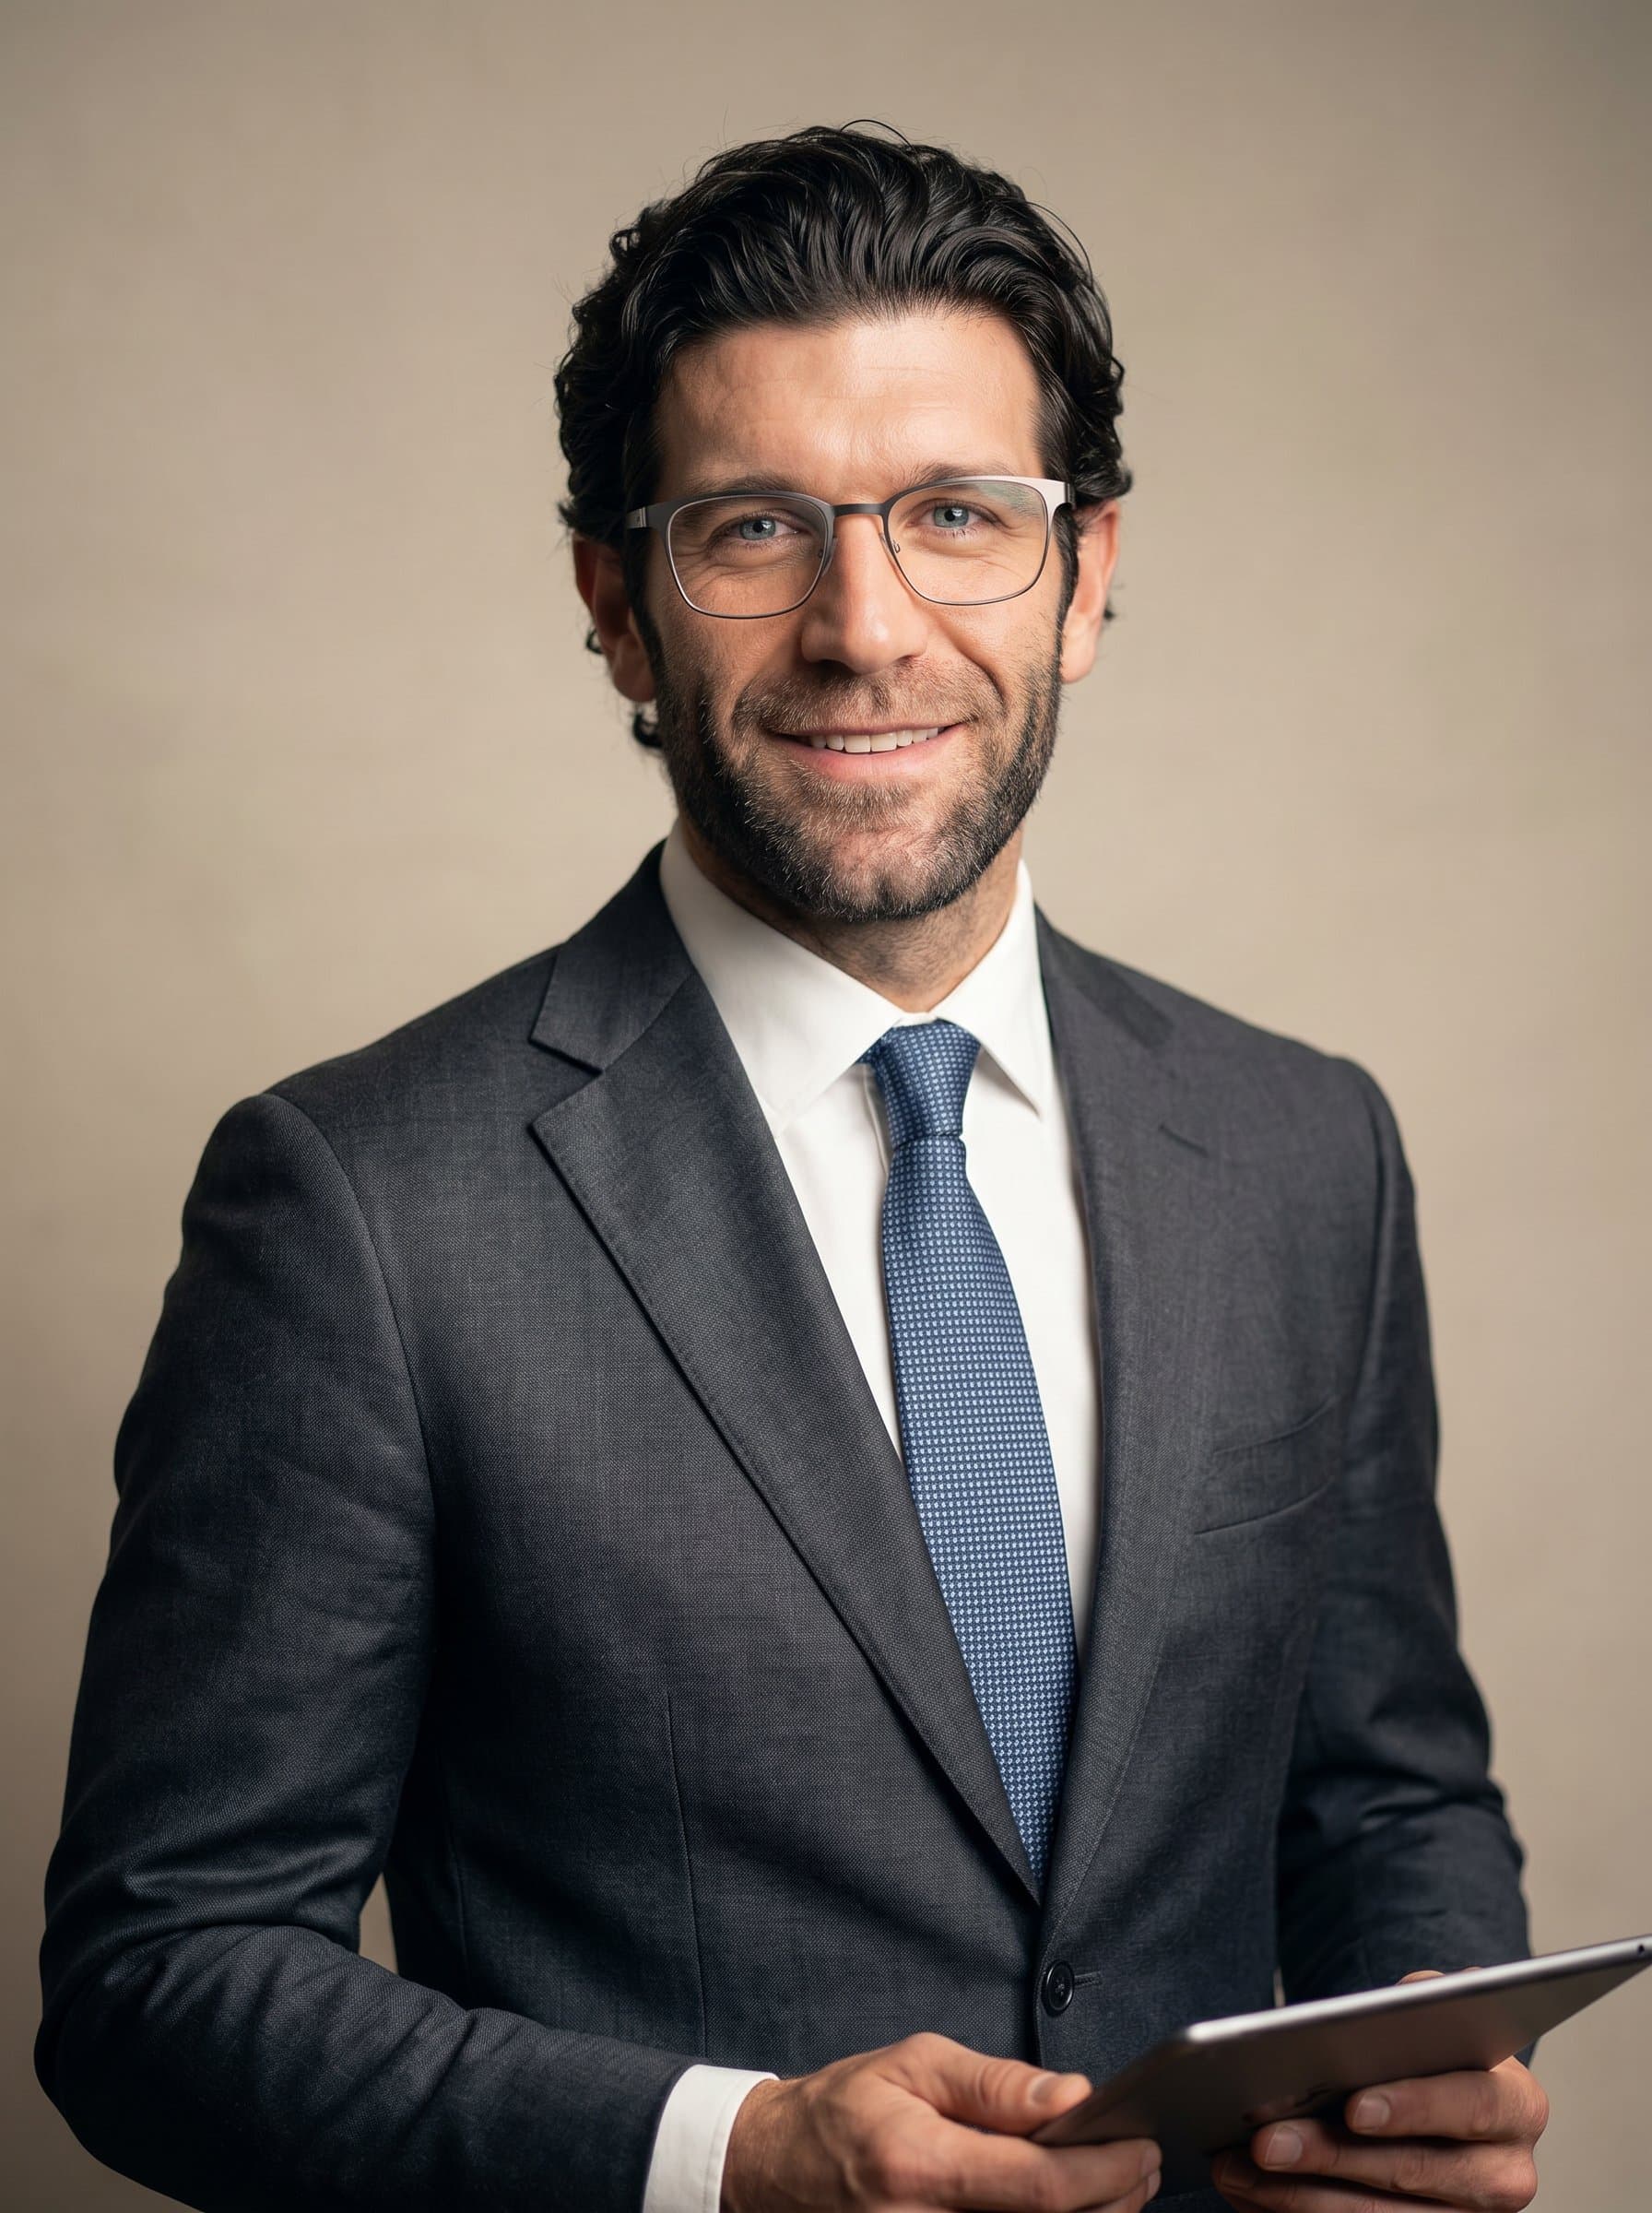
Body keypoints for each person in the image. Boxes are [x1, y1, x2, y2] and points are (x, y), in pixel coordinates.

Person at [37, 124, 1549, 2213]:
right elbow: (159, 1982)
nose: (864, 624)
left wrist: (1419, 2046)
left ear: (1086, 574)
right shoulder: (361, 1208)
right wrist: (728, 2155)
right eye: (753, 526)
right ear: (618, 608)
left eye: (957, 514)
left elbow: (1378, 1796)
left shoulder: (1300, 1151)